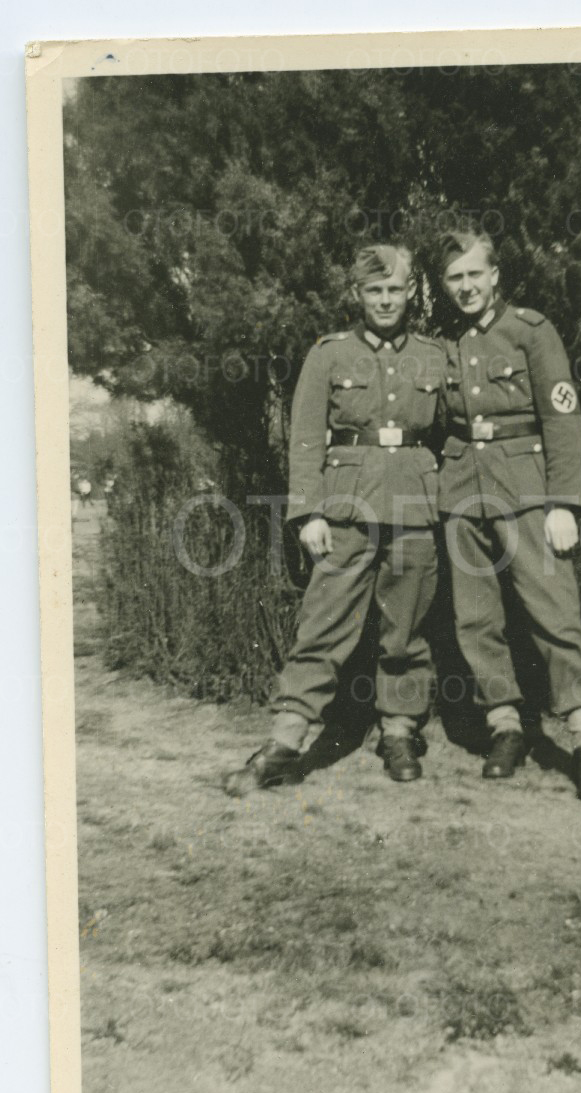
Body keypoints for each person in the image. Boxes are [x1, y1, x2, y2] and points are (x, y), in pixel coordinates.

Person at [225, 244, 445, 793]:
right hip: (346, 510)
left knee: (406, 630)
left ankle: (399, 731)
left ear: (410, 292)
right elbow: (304, 439)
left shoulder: (434, 356)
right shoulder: (329, 353)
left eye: (395, 289)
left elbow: (452, 434)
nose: (386, 300)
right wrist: (308, 513)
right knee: (322, 626)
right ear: (357, 295)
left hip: (415, 507)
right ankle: (285, 741)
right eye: (374, 290)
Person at [435, 229, 581, 802]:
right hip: (463, 492)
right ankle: (505, 728)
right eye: (454, 278)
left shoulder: (532, 331)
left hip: (527, 492)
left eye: (474, 274)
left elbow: (563, 419)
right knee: (475, 619)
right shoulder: (444, 345)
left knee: (554, 615)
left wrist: (564, 502)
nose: (466, 286)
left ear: (495, 276)